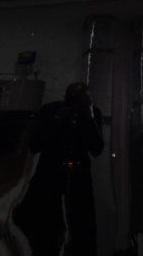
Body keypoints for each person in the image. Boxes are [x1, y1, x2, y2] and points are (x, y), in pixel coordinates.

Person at [16, 81, 105, 256]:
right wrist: (59, 118)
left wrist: (87, 116)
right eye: (74, 99)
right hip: (50, 175)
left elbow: (96, 148)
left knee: (80, 231)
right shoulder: (51, 110)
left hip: (77, 178)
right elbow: (34, 144)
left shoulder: (92, 113)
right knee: (45, 232)